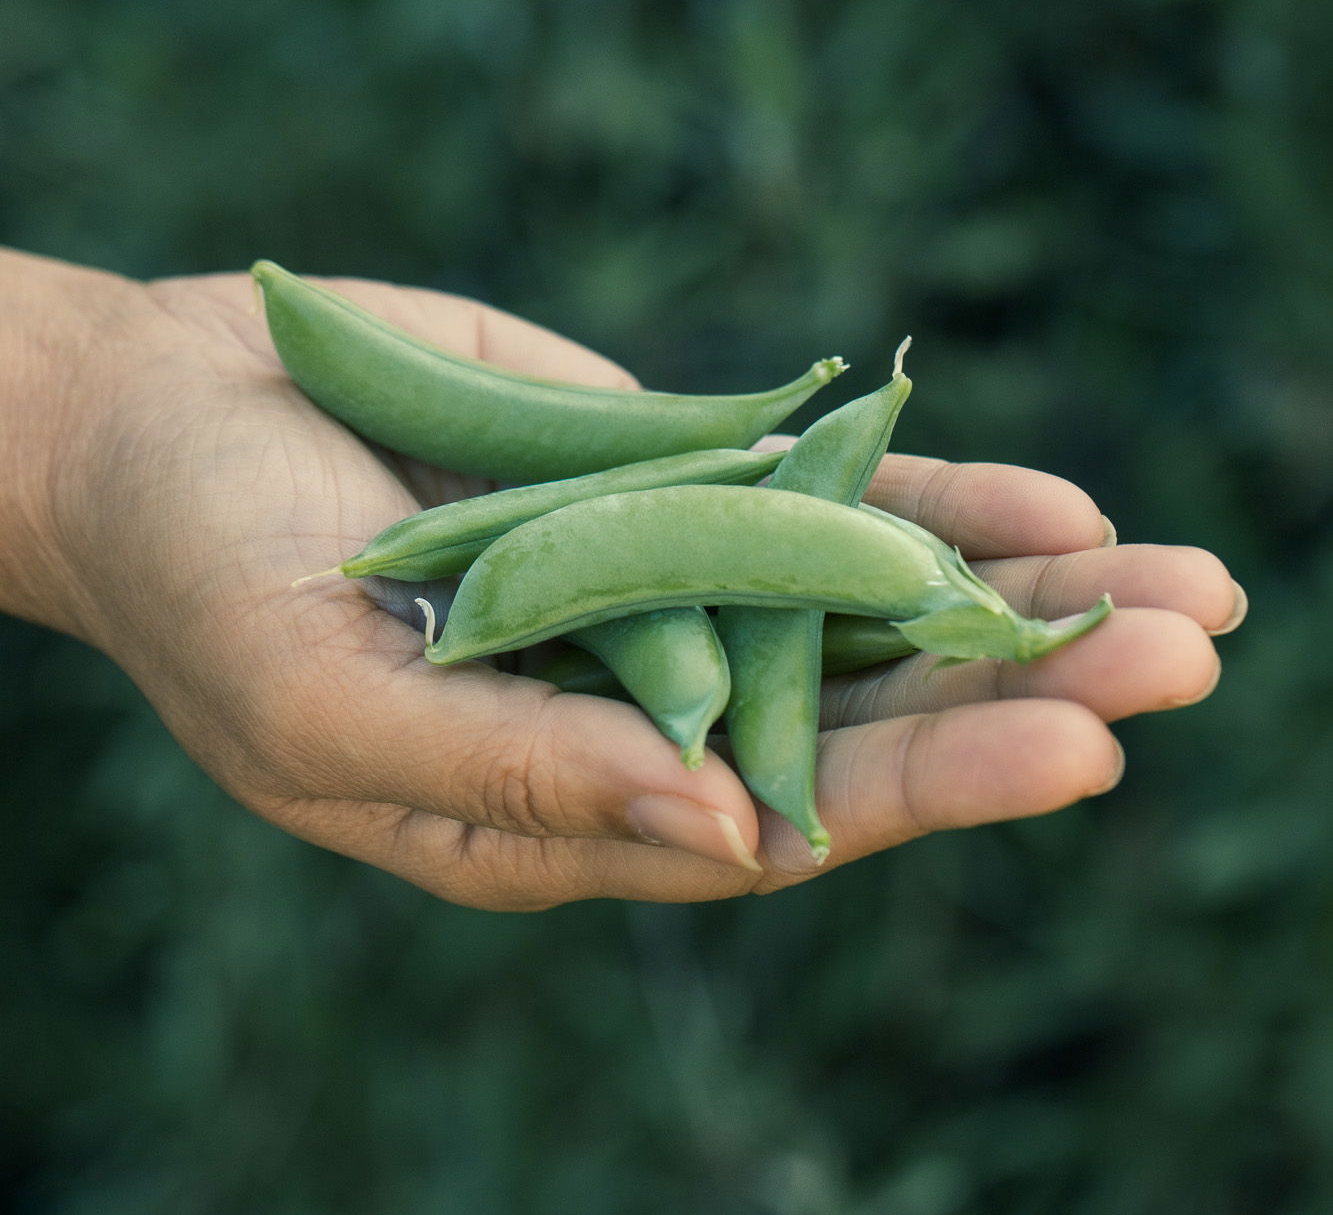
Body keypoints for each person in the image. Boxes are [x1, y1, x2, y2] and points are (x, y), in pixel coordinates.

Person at [0, 246, 1245, 909]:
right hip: (517, 562)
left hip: (611, 554)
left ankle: (974, 629)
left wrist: (84, 400)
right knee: (707, 607)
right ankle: (958, 631)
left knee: (780, 580)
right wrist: (84, 416)